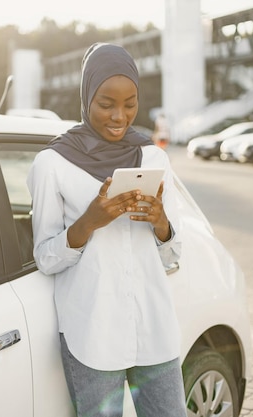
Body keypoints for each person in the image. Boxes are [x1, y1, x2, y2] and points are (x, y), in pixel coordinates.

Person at [27, 43, 187, 417]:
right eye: (106, 104)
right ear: (86, 98)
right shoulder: (52, 164)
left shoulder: (153, 157)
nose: (120, 116)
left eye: (130, 103)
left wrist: (161, 223)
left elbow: (173, 254)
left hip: (154, 328)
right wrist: (88, 222)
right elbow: (45, 258)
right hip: (92, 334)